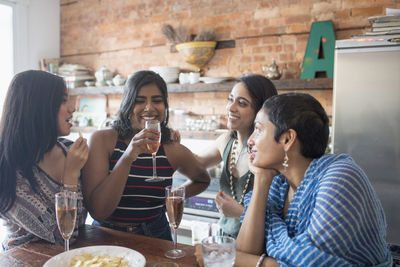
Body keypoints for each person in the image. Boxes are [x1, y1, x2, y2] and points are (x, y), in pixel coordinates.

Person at [234, 93, 392, 266]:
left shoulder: (340, 178)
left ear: (287, 139)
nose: (250, 141)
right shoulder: (279, 186)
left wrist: (255, 262)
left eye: (258, 129)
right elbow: (245, 252)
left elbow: (313, 263)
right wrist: (261, 182)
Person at [82, 70, 210, 241]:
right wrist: (128, 157)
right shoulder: (102, 140)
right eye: (139, 101)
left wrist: (173, 197)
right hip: (106, 235)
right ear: (128, 105)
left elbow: (203, 179)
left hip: (155, 234)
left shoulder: (172, 149)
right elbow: (98, 212)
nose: (149, 107)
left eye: (157, 100)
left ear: (165, 106)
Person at [0, 70, 88, 250]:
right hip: (24, 260)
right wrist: (70, 175)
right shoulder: (7, 170)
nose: (72, 108)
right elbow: (62, 237)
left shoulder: (70, 150)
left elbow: (81, 224)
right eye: (63, 100)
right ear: (38, 107)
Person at [195, 74, 277, 238]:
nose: (230, 108)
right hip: (225, 240)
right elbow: (194, 164)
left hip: (257, 246)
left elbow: (279, 220)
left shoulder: (271, 153)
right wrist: (169, 140)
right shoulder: (226, 141)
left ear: (261, 111)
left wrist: (240, 212)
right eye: (230, 99)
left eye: (241, 103)